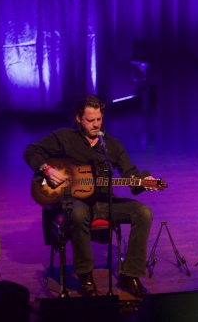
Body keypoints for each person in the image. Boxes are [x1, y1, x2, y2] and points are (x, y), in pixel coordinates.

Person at [23, 94, 154, 297]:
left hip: (104, 202)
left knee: (143, 212)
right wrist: (47, 170)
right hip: (74, 201)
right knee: (77, 213)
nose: (95, 124)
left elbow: (129, 173)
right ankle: (85, 275)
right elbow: (31, 150)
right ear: (78, 119)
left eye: (99, 119)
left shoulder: (112, 145)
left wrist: (142, 182)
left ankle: (130, 275)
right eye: (90, 120)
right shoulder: (64, 138)